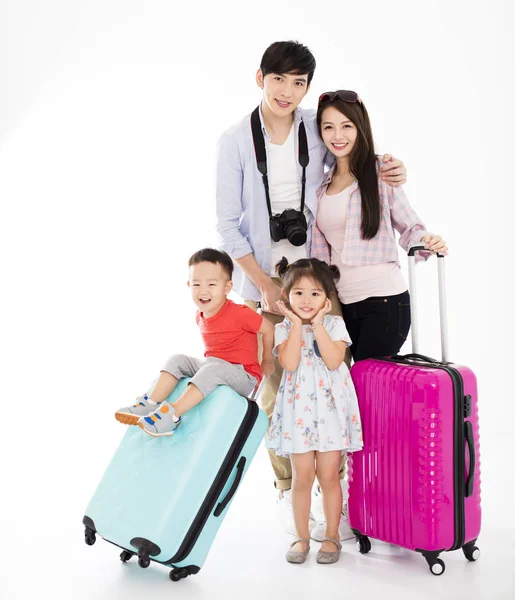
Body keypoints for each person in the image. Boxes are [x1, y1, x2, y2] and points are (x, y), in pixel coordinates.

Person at [215, 40, 406, 540]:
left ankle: (334, 490)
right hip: (265, 277)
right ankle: (288, 491)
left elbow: (349, 156)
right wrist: (261, 286)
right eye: (279, 79)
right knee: (278, 386)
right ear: (261, 78)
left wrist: (389, 167)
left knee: (334, 375)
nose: (287, 91)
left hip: (319, 272)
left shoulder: (314, 128)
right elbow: (227, 226)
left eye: (298, 83)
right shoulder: (235, 141)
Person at [312, 90, 448, 362]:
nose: (337, 136)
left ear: (360, 127)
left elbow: (410, 227)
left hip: (385, 302)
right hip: (343, 304)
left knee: (368, 387)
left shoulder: (380, 171)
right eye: (329, 127)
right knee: (353, 390)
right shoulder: (320, 187)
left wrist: (428, 240)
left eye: (346, 126)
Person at [115, 248, 275, 436]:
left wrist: (267, 360)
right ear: (189, 285)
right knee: (178, 360)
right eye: (197, 284)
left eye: (211, 284)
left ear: (227, 288)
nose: (203, 291)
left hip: (243, 375)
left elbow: (268, 328)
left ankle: (171, 416)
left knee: (212, 367)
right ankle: (150, 403)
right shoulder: (200, 316)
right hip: (213, 366)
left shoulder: (240, 313)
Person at [266, 257, 362, 564]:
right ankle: (301, 536)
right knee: (302, 477)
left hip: (331, 415)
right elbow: (290, 363)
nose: (306, 300)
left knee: (329, 476)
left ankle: (332, 535)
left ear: (327, 298)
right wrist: (296, 324)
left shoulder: (334, 324)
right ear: (287, 296)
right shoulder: (283, 328)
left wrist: (318, 323)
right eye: (299, 293)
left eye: (315, 293)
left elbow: (334, 360)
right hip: (300, 416)